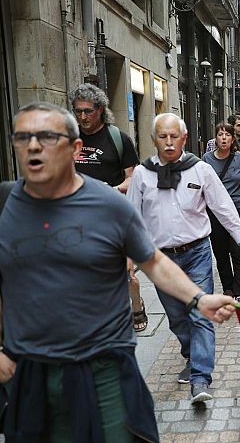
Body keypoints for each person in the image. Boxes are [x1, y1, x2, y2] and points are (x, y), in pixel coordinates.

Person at [0, 103, 237, 442]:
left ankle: (200, 373)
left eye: (47, 137)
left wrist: (199, 298)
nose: (33, 146)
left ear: (75, 148)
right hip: (28, 371)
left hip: (104, 367)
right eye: (23, 137)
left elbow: (153, 260)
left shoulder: (108, 205)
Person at [127, 113, 240, 404]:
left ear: (184, 139)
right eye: (163, 136)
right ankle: (190, 352)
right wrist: (128, 257)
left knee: (199, 314)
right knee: (176, 317)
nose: (169, 142)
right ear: (154, 140)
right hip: (159, 259)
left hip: (197, 252)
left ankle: (200, 378)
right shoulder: (142, 174)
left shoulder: (200, 170)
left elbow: (223, 206)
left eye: (175, 136)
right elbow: (132, 217)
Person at [69, 83, 148, 332]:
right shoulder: (68, 139)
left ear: (100, 109)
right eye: (78, 111)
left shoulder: (117, 138)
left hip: (112, 216)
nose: (83, 116)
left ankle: (136, 306)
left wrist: (110, 189)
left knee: (127, 273)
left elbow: (131, 178)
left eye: (88, 111)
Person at [203, 122, 240, 304]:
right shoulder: (206, 159)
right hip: (215, 212)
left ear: (233, 138)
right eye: (220, 134)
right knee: (220, 252)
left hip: (239, 209)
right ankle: (228, 288)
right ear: (216, 138)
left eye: (227, 135)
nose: (224, 138)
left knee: (238, 251)